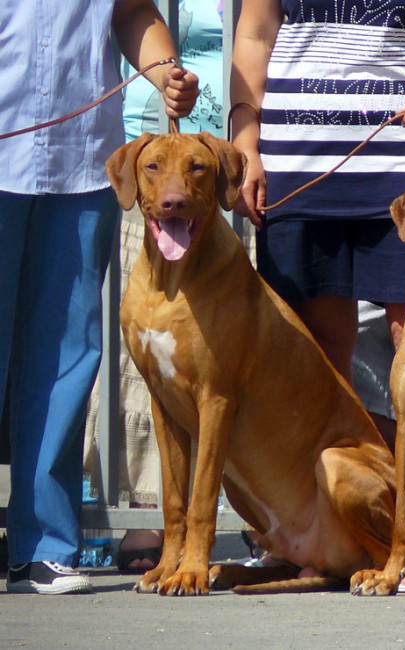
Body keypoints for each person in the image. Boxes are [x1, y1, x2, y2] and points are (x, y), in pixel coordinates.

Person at [230, 0, 405, 593]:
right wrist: (245, 140)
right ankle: (319, 534)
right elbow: (253, 35)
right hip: (296, 160)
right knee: (313, 361)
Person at [0, 0, 198, 594]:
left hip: (81, 157)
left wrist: (166, 71)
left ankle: (44, 544)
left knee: (68, 350)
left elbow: (134, 11)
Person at [83, 0, 228, 575]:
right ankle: (148, 515)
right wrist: (166, 72)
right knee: (139, 368)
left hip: (225, 175)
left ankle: (235, 516)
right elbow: (132, 17)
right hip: (148, 166)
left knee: (222, 373)